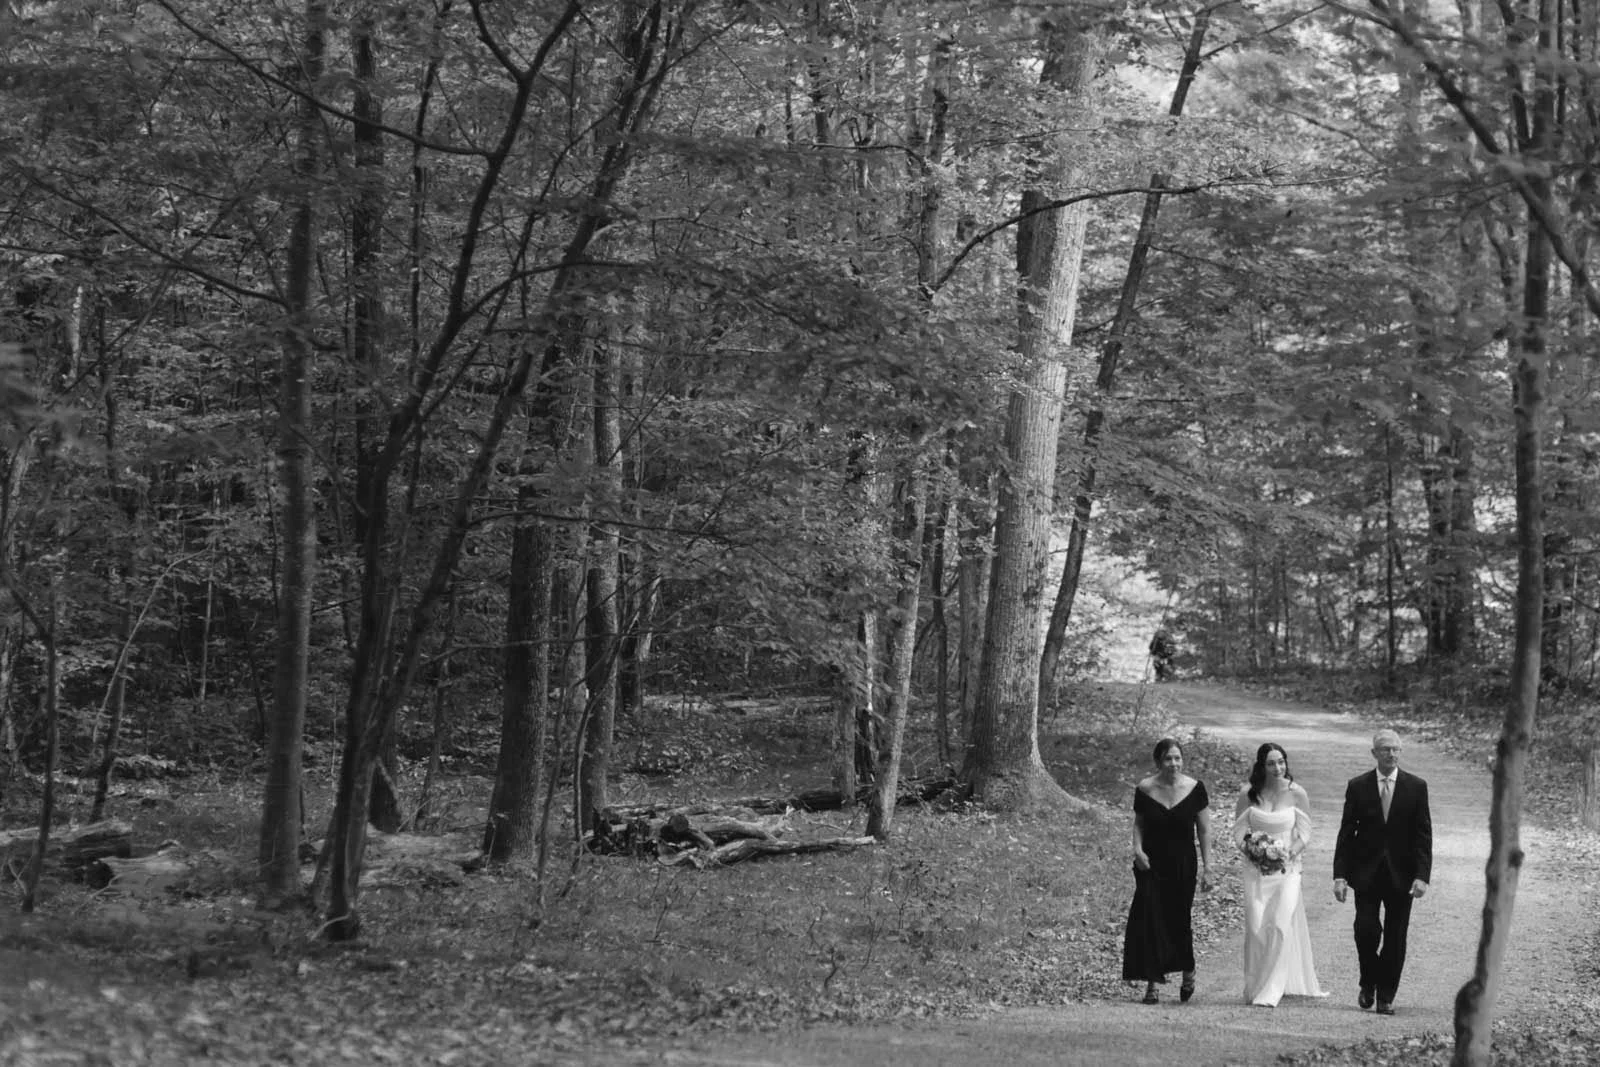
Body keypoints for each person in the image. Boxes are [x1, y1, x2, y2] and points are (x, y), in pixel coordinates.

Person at [1333, 728, 1433, 1016]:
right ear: (1374, 753)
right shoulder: (1358, 786)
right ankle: (1368, 980)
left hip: (1403, 875)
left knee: (1395, 936)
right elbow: (1345, 833)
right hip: (1366, 872)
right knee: (1365, 930)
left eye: (1396, 749)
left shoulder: (1416, 786)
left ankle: (1386, 995)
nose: (1391, 754)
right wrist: (1339, 875)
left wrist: (1422, 875)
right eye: (1385, 749)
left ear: (1400, 752)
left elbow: (1423, 834)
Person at [1232, 743, 1326, 1007]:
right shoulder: (1248, 794)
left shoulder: (1297, 794)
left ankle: (1273, 989)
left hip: (1287, 870)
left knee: (1281, 923)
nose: (1278, 768)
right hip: (1255, 870)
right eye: (1272, 763)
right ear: (1262, 766)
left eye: (1281, 762)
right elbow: (1239, 832)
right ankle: (1255, 984)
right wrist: (1254, 852)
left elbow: (1305, 833)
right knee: (1256, 926)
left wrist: (1287, 854)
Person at [1122, 737, 1213, 1004]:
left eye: (1177, 758)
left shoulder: (1195, 789)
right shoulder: (1146, 788)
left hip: (1183, 863)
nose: (1173, 763)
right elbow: (1139, 824)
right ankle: (1153, 983)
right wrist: (1137, 850)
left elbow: (1205, 830)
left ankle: (1188, 970)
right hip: (1151, 863)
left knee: (1178, 919)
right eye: (1167, 759)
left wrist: (1209, 867)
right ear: (1158, 762)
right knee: (1151, 920)